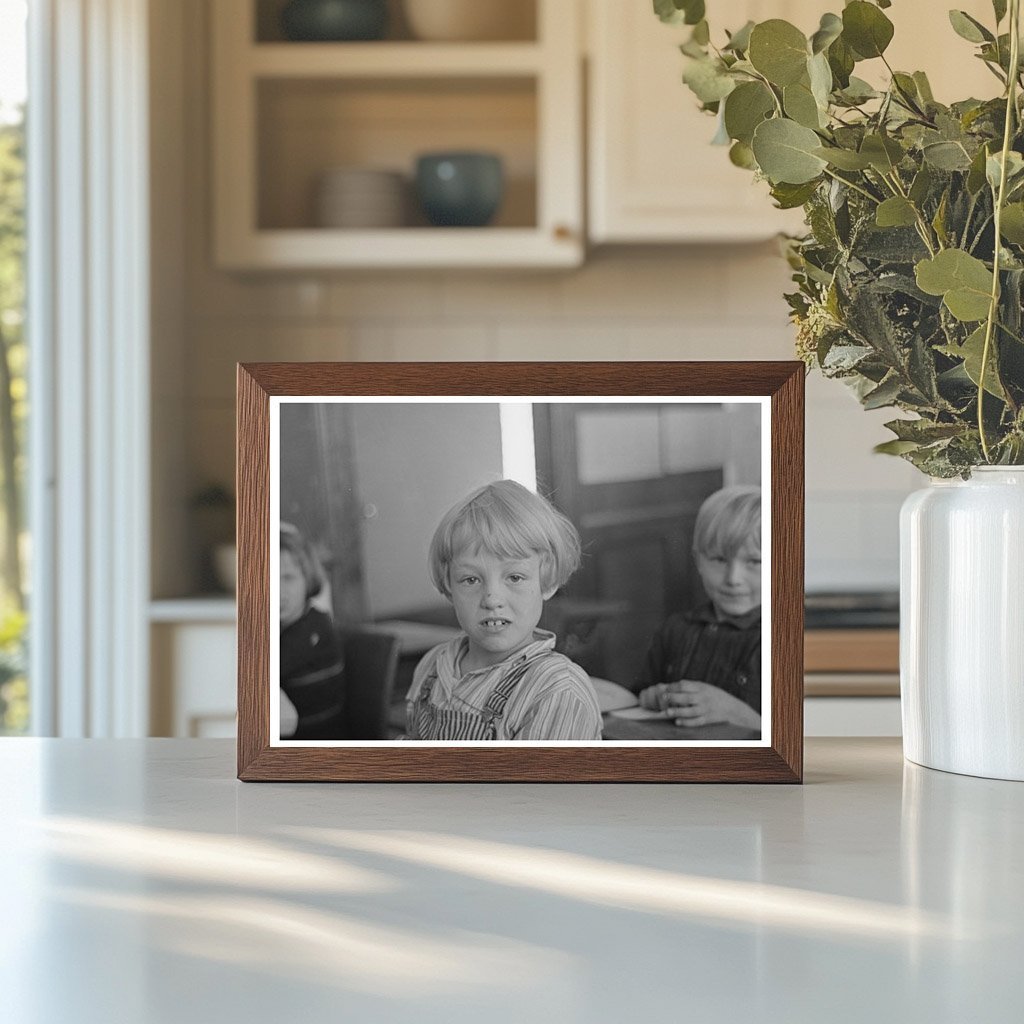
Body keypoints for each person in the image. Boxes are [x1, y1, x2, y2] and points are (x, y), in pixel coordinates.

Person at [405, 480, 602, 741]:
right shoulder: (432, 666)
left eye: (515, 578)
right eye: (471, 580)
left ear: (548, 581)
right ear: (448, 585)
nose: (492, 599)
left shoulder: (557, 690)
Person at [637, 485, 762, 731]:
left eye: (755, 561)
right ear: (698, 561)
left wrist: (734, 712)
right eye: (719, 559)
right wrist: (654, 697)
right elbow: (642, 696)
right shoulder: (675, 630)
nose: (733, 578)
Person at [279, 522, 346, 740]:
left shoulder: (313, 628)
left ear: (307, 580)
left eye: (287, 578)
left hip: (315, 744)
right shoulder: (288, 624)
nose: (276, 590)